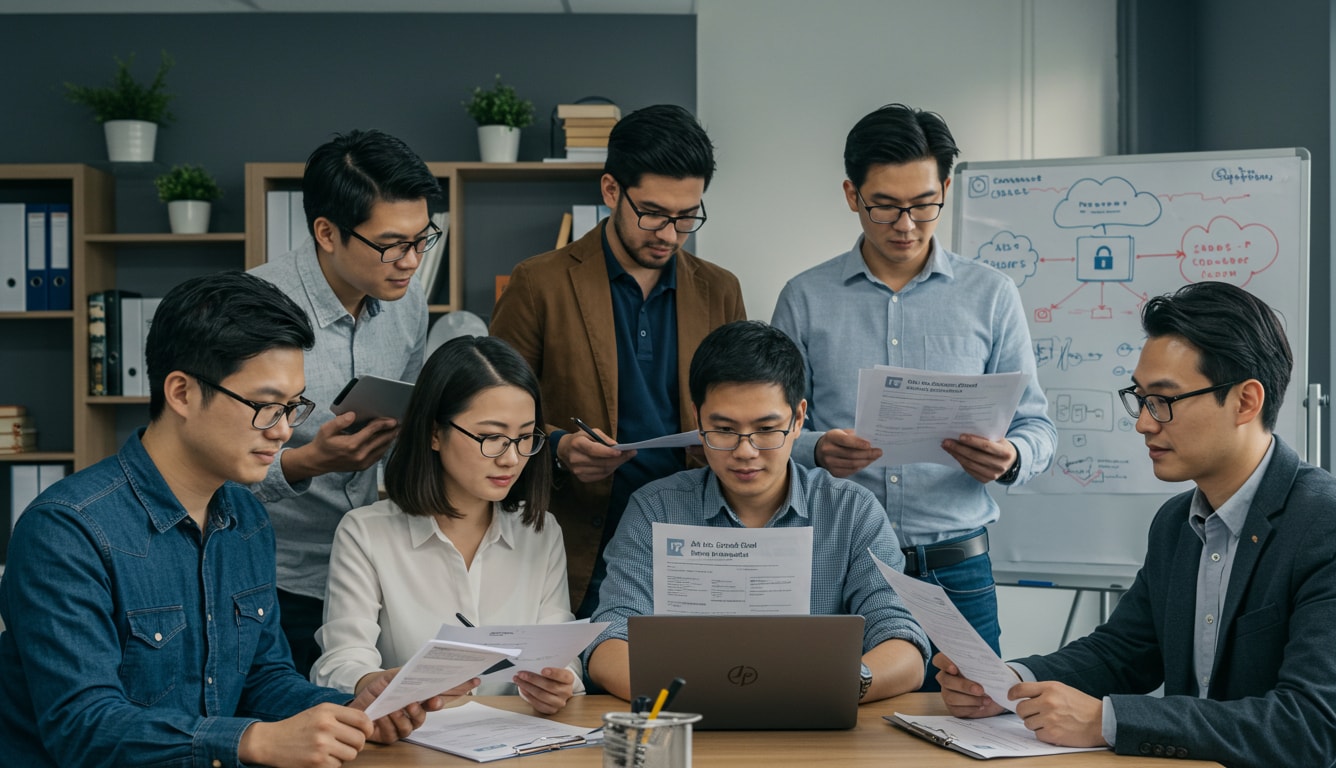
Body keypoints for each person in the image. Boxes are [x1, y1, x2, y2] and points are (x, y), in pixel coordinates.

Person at [935, 282, 1336, 768]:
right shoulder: (1175, 523)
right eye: (1138, 399)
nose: (1143, 423)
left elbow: (1309, 727)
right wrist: (1006, 683)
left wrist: (1108, 720)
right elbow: (1123, 652)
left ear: (1245, 401)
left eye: (1163, 400)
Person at [0, 272, 454, 768]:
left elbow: (264, 678)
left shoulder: (248, 519)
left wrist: (353, 708)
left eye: (293, 407)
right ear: (182, 393)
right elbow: (83, 727)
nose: (284, 431)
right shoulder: (67, 530)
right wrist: (253, 742)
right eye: (264, 406)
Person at [771, 103, 1056, 663]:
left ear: (946, 187)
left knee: (970, 717)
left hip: (955, 562)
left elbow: (1037, 424)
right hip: (839, 556)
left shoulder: (991, 294)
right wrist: (815, 448)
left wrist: (1012, 456)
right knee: (833, 720)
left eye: (925, 206)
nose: (906, 225)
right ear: (852, 195)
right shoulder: (805, 298)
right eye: (885, 207)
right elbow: (771, 428)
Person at [490, 104, 746, 618]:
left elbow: (741, 407)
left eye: (686, 216)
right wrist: (559, 446)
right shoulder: (540, 283)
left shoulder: (720, 290)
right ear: (611, 191)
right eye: (652, 213)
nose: (670, 234)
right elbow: (487, 411)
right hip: (579, 536)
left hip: (694, 538)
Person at [584, 320, 928, 702]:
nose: (745, 451)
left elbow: (903, 641)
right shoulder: (656, 509)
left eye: (766, 429)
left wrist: (842, 685)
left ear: (798, 419)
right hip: (685, 719)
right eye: (725, 430)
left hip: (816, 722)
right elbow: (608, 638)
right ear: (698, 421)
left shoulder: (851, 511)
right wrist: (698, 696)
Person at [249, 129, 442, 675]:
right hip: (275, 579)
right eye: (390, 244)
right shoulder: (255, 312)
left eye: (422, 238)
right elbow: (206, 469)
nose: (410, 261)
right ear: (327, 232)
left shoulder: (406, 307)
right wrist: (310, 461)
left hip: (371, 574)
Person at [311, 335, 583, 714]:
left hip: (518, 741)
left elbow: (561, 650)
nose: (511, 458)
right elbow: (341, 661)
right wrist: (376, 684)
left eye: (525, 438)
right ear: (435, 433)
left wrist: (561, 680)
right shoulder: (366, 532)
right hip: (412, 743)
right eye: (491, 437)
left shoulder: (541, 532)